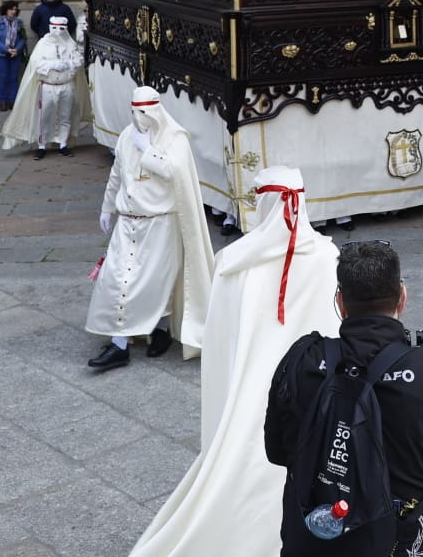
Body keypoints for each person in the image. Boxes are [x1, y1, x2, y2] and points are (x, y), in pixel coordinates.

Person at [132, 167, 342, 557]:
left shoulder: (234, 263)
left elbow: (222, 343)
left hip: (252, 397)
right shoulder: (328, 257)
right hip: (314, 398)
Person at [264, 240, 423, 557]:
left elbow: (277, 452)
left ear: (341, 302)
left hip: (318, 542)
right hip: (406, 546)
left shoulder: (303, 361)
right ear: (402, 297)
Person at [85, 86, 214, 370]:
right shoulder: (125, 137)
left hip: (160, 224)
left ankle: (161, 330)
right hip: (128, 222)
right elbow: (116, 175)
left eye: (144, 112)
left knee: (156, 283)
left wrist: (149, 151)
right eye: (134, 111)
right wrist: (107, 208)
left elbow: (175, 172)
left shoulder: (175, 138)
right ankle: (118, 345)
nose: (138, 118)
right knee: (116, 279)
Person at [3, 16, 85, 159]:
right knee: (44, 116)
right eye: (55, 28)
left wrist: (69, 65)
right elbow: (36, 64)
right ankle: (42, 145)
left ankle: (63, 144)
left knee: (65, 116)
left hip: (66, 85)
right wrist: (53, 65)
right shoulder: (42, 44)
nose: (58, 32)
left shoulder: (70, 44)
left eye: (61, 29)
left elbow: (78, 60)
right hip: (48, 86)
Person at [0, 0, 26, 108]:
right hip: (2, 54)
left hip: (15, 54)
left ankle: (13, 100)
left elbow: (22, 38)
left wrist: (17, 49)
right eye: (11, 9)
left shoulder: (19, 23)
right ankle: (3, 101)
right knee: (4, 76)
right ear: (6, 10)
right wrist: (6, 49)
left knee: (13, 77)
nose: (13, 11)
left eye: (15, 9)